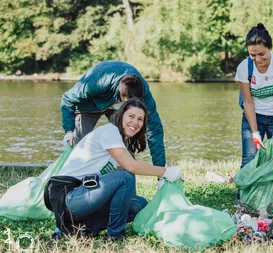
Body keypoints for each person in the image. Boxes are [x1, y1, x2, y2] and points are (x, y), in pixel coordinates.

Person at [55, 98, 183, 241]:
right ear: (121, 115)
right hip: (67, 197)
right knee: (125, 176)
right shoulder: (110, 131)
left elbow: (127, 171)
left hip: (85, 197)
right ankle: (114, 235)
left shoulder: (120, 143)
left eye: (140, 119)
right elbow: (132, 167)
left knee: (138, 205)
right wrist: (166, 172)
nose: (135, 122)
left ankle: (82, 229)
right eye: (131, 116)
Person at [60, 60, 166, 167]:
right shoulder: (97, 83)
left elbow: (154, 130)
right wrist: (69, 130)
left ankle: (123, 178)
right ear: (118, 89)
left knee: (125, 146)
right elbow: (68, 98)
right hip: (89, 105)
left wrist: (161, 170)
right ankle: (76, 178)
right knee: (81, 146)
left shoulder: (144, 94)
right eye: (128, 103)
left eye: (134, 104)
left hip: (117, 109)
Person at [234, 23, 273, 199]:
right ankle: (244, 199)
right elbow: (248, 102)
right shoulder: (244, 68)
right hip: (254, 115)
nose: (258, 59)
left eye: (262, 54)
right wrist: (254, 132)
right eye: (252, 55)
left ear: (270, 48)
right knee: (250, 157)